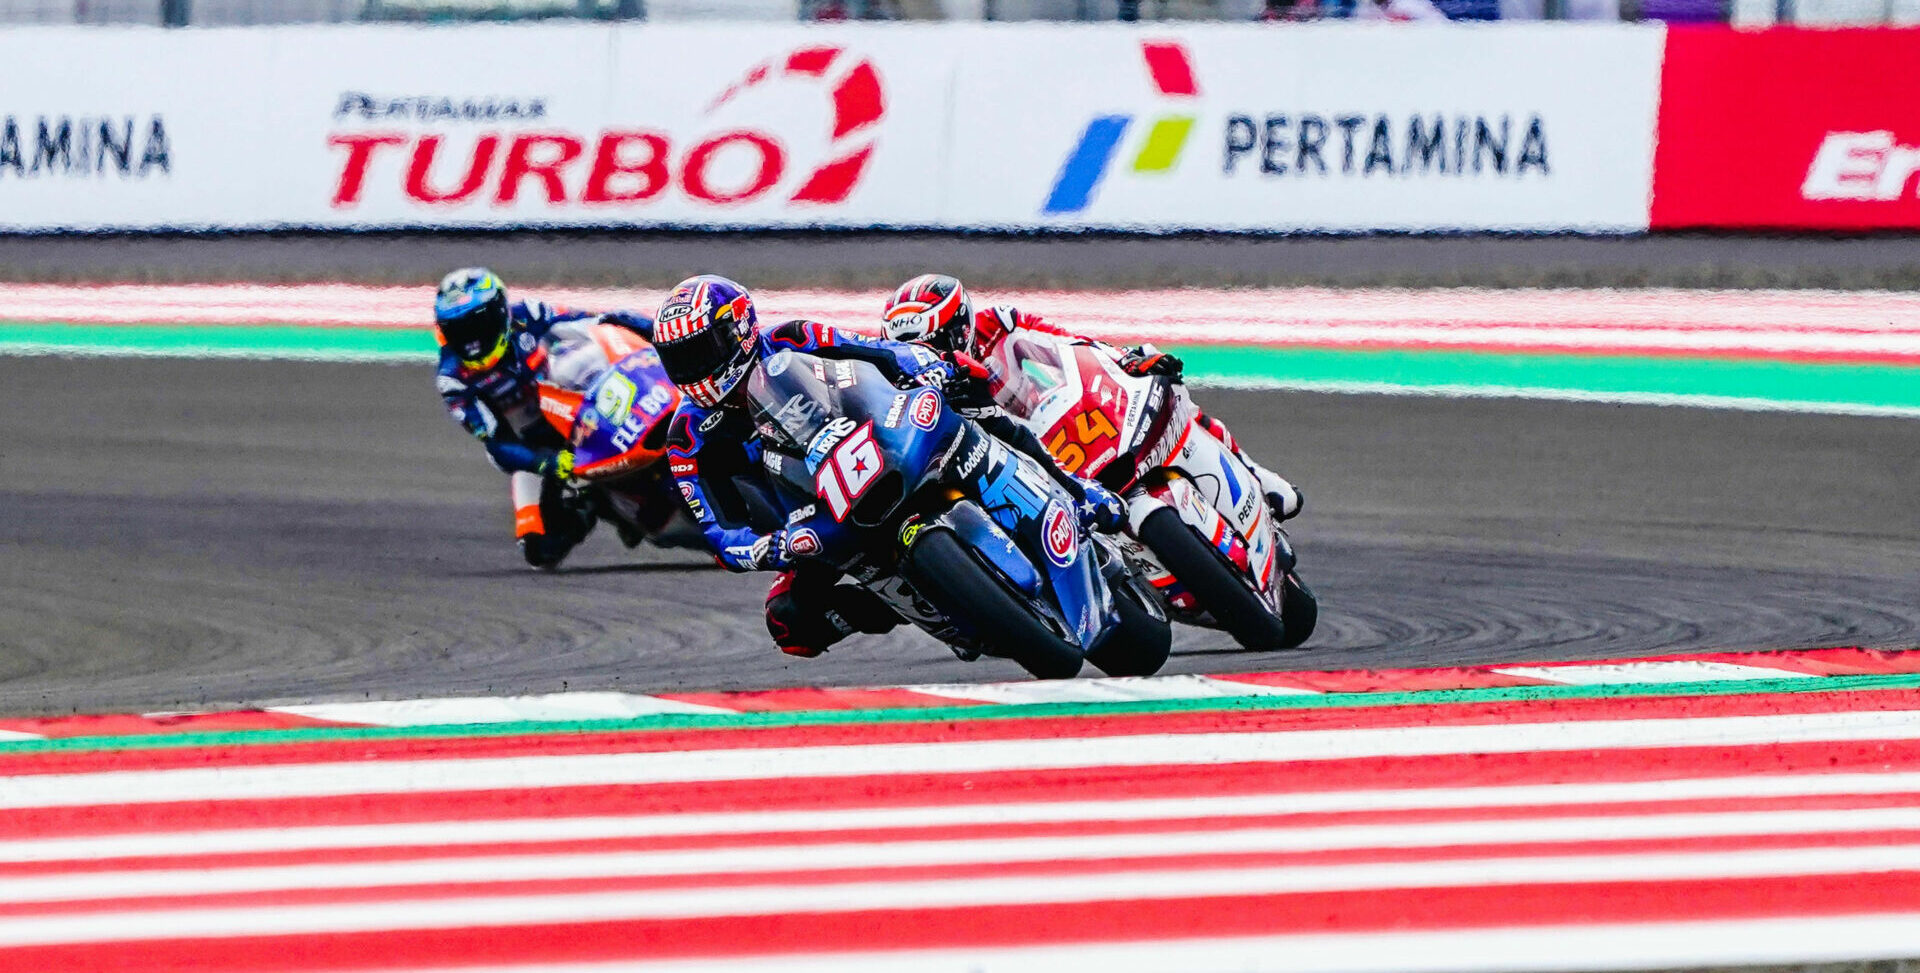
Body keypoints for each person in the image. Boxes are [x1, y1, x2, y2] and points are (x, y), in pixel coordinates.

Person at [651, 274, 1125, 659]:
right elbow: (716, 525)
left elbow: (875, 352)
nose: (694, 369)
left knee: (976, 406)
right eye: (680, 360)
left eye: (701, 351)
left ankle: (1076, 490)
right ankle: (902, 600)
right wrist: (760, 549)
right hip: (812, 515)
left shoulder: (793, 338)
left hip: (881, 441)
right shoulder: (688, 435)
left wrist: (926, 366)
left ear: (738, 329)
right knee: (788, 622)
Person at [882, 273, 1303, 522]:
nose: (931, 354)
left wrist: (1125, 361)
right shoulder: (907, 382)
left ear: (962, 324)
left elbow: (1072, 342)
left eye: (938, 341)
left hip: (1057, 417)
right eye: (919, 347)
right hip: (1014, 460)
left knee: (1162, 378)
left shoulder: (1000, 323)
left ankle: (1254, 472)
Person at [432, 267, 656, 569]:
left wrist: (654, 332)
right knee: (540, 549)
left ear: (500, 313)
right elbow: (498, 444)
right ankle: (592, 504)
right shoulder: (453, 380)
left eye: (478, 324)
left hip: (582, 403)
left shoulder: (529, 314)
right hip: (536, 446)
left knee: (609, 337)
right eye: (459, 331)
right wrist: (549, 463)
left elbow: (598, 323)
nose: (471, 340)